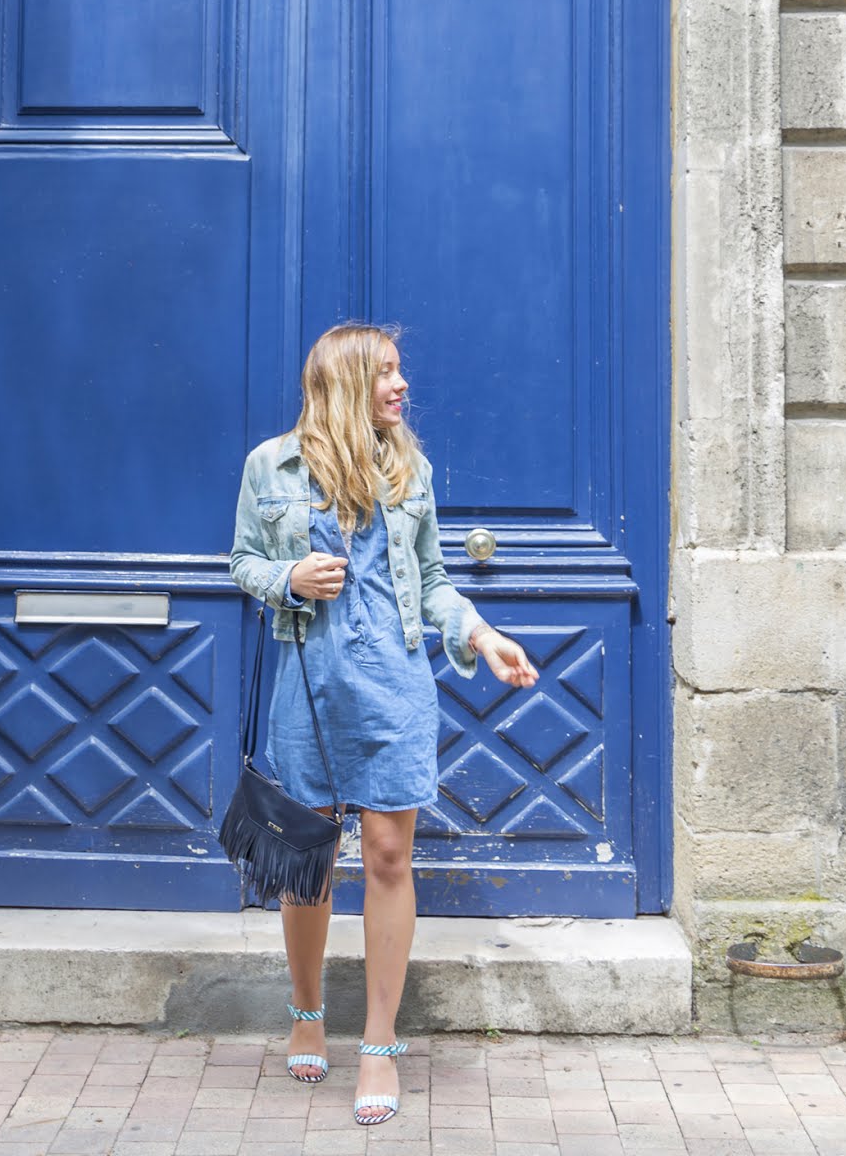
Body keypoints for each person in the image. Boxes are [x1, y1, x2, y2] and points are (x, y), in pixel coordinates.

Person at [229, 322, 538, 1127]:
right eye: (386, 374)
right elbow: (240, 565)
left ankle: (377, 1042)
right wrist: (287, 576)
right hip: (309, 687)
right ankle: (305, 1012)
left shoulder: (409, 467)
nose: (402, 386)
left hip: (394, 687)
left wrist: (481, 634)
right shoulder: (273, 466)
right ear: (342, 382)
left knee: (390, 855)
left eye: (400, 373)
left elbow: (433, 579)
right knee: (309, 858)